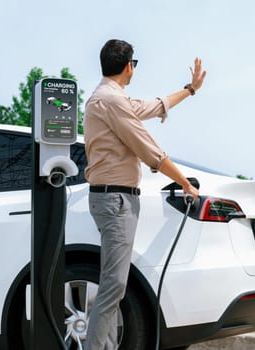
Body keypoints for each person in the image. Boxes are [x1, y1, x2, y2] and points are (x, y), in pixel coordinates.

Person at [83, 39, 206, 350]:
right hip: (115, 200)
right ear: (129, 67)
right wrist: (186, 184)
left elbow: (153, 106)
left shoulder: (111, 99)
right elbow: (150, 151)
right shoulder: (112, 102)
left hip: (113, 198)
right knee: (114, 285)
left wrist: (189, 90)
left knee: (113, 284)